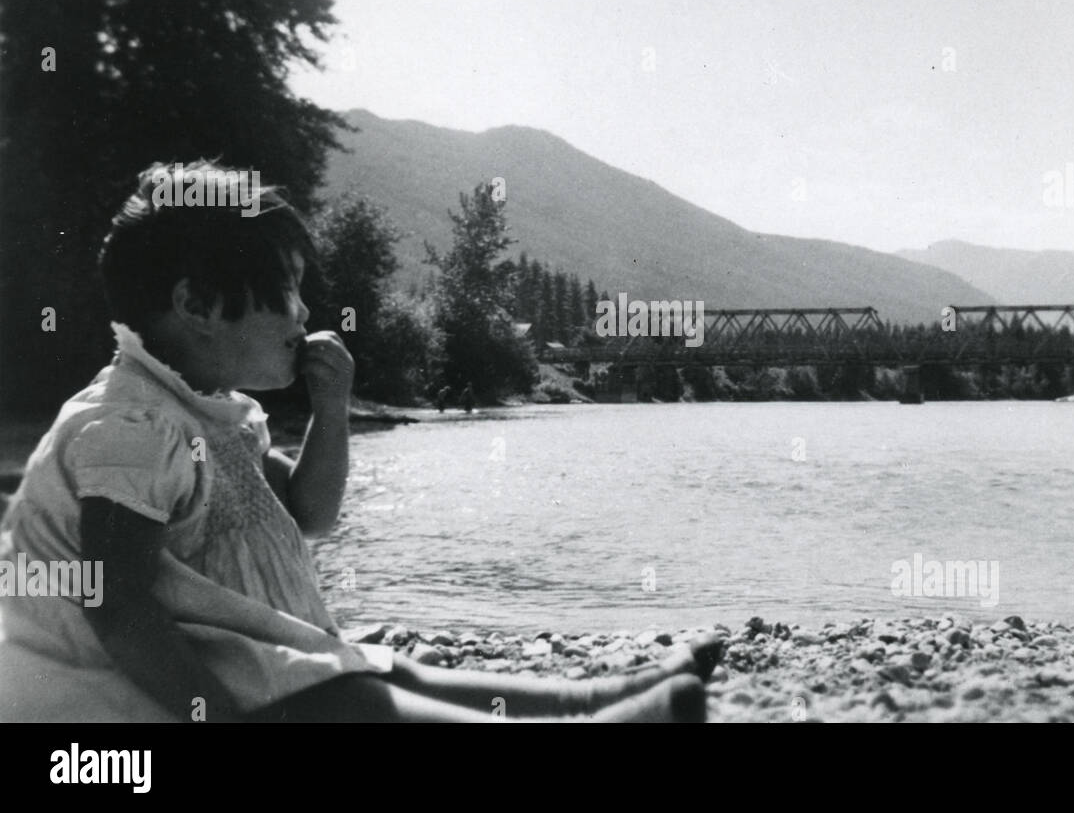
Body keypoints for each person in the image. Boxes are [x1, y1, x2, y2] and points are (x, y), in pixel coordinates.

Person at [0, 161, 714, 723]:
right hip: (96, 690)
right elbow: (115, 603)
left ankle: (591, 700)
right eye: (284, 292)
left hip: (185, 663)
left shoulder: (214, 416)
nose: (303, 312)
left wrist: (332, 410)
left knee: (373, 669)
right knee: (349, 702)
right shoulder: (129, 426)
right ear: (195, 306)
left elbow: (307, 514)